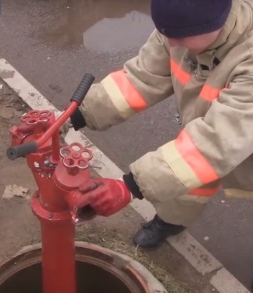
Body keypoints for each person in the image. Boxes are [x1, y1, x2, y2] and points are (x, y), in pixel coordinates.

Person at [67, 0, 253, 248]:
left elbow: (216, 143)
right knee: (186, 173)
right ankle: (170, 221)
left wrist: (129, 187)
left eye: (180, 36)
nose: (172, 43)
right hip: (209, 136)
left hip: (233, 142)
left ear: (216, 21)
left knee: (194, 159)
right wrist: (72, 117)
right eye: (167, 33)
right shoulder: (179, 31)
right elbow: (139, 79)